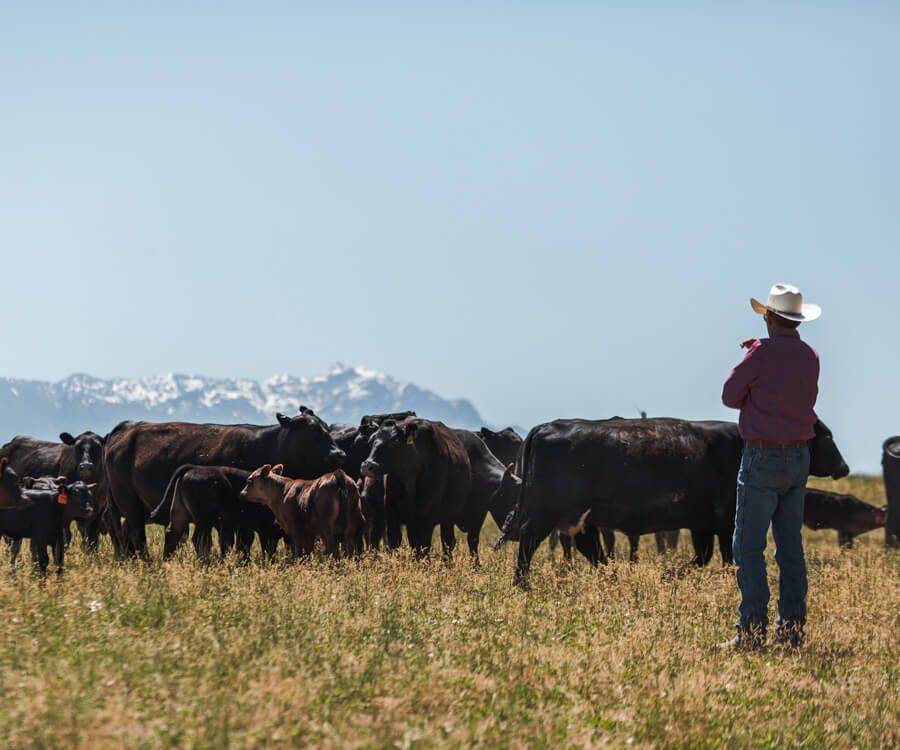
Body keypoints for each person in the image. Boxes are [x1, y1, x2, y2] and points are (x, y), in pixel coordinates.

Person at [721, 283, 822, 650]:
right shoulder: (811, 356)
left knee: (748, 545)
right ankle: (792, 630)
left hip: (762, 457)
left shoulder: (760, 353)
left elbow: (730, 395)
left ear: (769, 317)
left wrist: (753, 355)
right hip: (798, 458)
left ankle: (751, 631)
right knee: (789, 546)